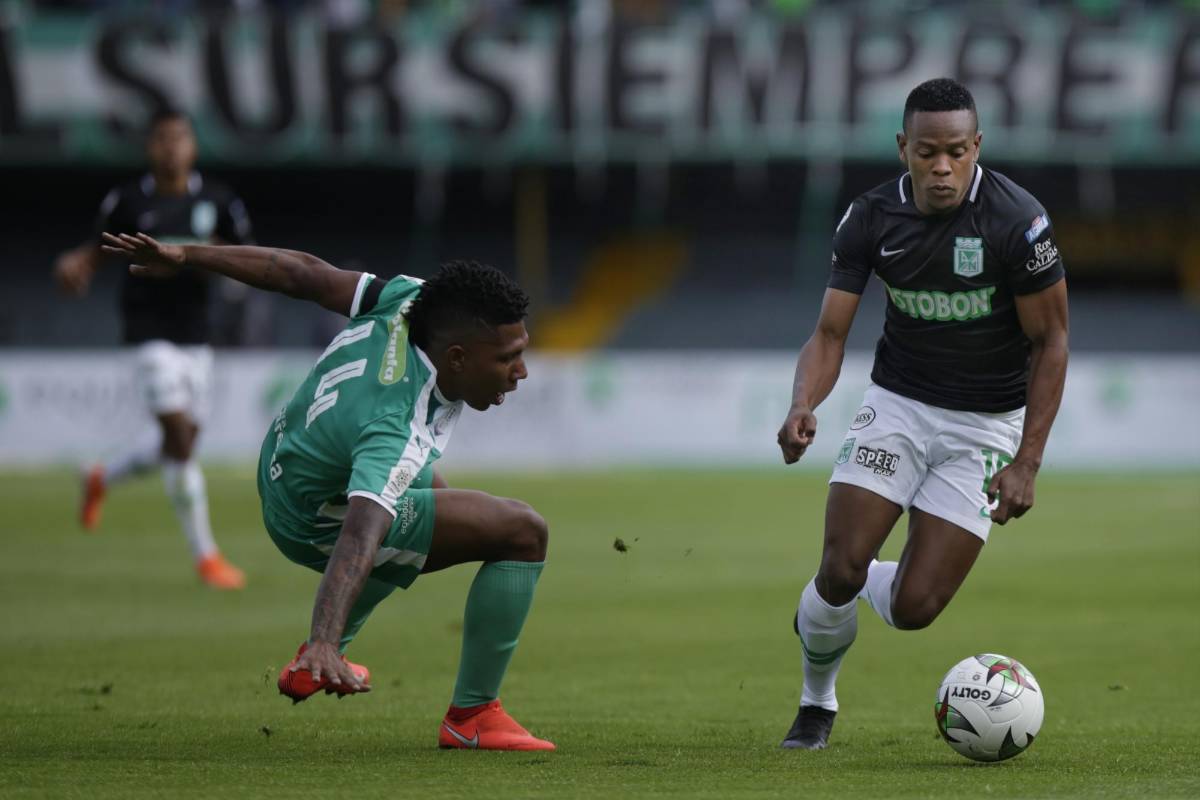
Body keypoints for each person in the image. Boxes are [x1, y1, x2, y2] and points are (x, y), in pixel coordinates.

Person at [101, 231, 556, 752]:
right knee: (521, 531)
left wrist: (187, 255)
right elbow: (360, 534)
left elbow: (300, 272)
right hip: (312, 519)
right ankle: (470, 717)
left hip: (284, 459)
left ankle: (324, 651)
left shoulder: (411, 299)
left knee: (438, 509)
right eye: (508, 358)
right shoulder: (394, 427)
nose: (521, 372)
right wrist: (321, 639)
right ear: (456, 357)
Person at [775, 78, 1069, 750]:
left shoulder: (1017, 222)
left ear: (977, 148)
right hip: (898, 406)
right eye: (928, 152)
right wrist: (802, 404)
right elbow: (829, 335)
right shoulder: (871, 218)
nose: (943, 168)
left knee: (914, 609)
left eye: (957, 153)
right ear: (904, 147)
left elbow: (1051, 342)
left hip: (984, 426)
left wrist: (1027, 460)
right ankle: (816, 704)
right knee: (843, 566)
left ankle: (837, 596)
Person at [53, 109, 253, 590]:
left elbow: (245, 255)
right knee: (180, 440)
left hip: (197, 337)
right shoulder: (125, 200)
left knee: (175, 444)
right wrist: (75, 264)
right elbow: (96, 248)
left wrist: (208, 259)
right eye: (161, 139)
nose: (170, 147)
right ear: (150, 147)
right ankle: (207, 557)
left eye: (178, 138)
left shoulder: (220, 201)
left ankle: (101, 477)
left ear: (193, 147)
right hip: (147, 334)